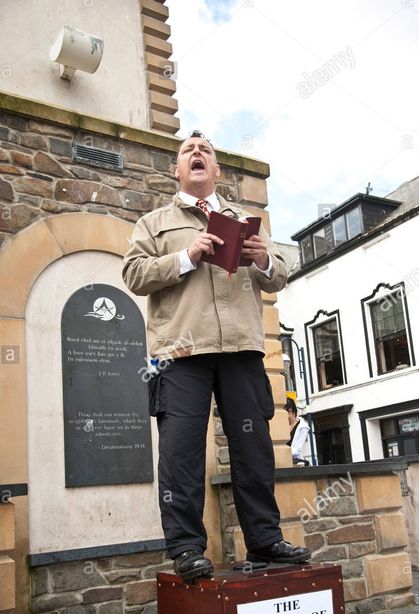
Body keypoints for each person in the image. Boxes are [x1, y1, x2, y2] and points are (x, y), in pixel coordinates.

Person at [122, 130, 310, 582]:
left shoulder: (244, 220)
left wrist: (264, 259)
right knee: (181, 452)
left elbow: (278, 275)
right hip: (180, 351)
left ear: (217, 169)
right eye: (188, 151)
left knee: (254, 449)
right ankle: (186, 548)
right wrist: (186, 257)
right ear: (177, 169)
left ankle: (264, 540)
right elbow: (133, 273)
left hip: (241, 348)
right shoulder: (154, 222)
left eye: (205, 150)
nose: (197, 154)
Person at [285, 398, 310, 466]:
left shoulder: (302, 427)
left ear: (290, 411)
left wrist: (282, 453)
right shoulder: (282, 425)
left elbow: (297, 450)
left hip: (293, 461)